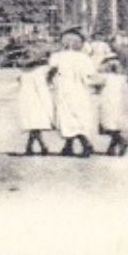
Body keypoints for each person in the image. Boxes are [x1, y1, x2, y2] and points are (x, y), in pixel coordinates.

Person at [46, 27, 98, 158]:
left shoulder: (58, 56)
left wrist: (49, 81)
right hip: (80, 90)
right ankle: (68, 146)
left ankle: (85, 144)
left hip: (64, 89)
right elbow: (91, 74)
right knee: (78, 116)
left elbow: (51, 70)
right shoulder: (84, 58)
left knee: (67, 116)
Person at [92, 49, 128, 157]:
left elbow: (94, 83)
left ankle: (122, 140)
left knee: (108, 126)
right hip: (120, 103)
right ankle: (111, 148)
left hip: (108, 102)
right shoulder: (122, 78)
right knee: (116, 125)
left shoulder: (105, 77)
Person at [17, 60, 55, 156]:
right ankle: (40, 146)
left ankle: (31, 147)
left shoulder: (23, 74)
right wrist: (48, 105)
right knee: (35, 125)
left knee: (33, 126)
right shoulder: (38, 74)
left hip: (25, 100)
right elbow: (42, 91)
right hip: (36, 101)